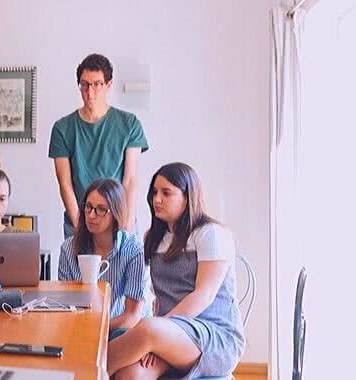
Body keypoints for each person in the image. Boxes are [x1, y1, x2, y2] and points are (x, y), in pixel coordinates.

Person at [107, 162, 244, 379]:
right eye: (154, 192)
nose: (156, 199)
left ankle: (84, 371)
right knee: (130, 374)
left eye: (166, 193)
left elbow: (204, 295)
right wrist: (159, 336)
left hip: (214, 337)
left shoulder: (210, 234)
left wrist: (159, 329)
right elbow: (159, 298)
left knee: (147, 328)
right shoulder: (153, 238)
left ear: (188, 197)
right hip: (169, 336)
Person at [48, 53, 149, 239]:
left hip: (118, 219)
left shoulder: (129, 124)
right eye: (84, 85)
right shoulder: (62, 128)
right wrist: (80, 227)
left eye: (97, 84)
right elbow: (65, 183)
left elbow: (130, 179)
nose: (90, 91)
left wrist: (126, 225)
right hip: (79, 220)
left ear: (108, 85)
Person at [57, 179, 151, 333]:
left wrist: (96, 328)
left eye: (101, 209)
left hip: (122, 329)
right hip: (82, 328)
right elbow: (66, 306)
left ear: (115, 213)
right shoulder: (68, 248)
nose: (92, 215)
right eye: (88, 207)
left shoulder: (134, 249)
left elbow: (132, 316)